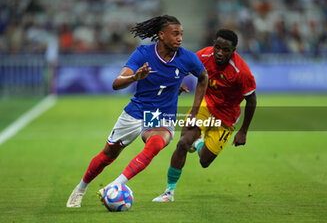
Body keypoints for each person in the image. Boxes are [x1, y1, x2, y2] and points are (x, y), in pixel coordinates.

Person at [66, 15, 208, 207]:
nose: (180, 38)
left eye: (181, 34)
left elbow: (203, 77)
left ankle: (115, 185)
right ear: (161, 35)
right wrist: (135, 77)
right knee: (108, 155)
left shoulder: (187, 58)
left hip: (161, 115)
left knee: (155, 144)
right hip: (136, 112)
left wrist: (194, 109)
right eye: (175, 34)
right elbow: (116, 84)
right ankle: (80, 188)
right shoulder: (143, 53)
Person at [152, 29, 256, 202]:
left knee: (204, 161)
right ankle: (169, 192)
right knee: (183, 143)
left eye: (226, 50)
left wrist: (243, 131)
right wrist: (177, 83)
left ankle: (199, 143)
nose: (220, 53)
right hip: (205, 105)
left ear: (233, 51)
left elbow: (251, 101)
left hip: (226, 116)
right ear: (213, 44)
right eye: (217, 47)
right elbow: (181, 68)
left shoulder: (241, 72)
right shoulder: (204, 55)